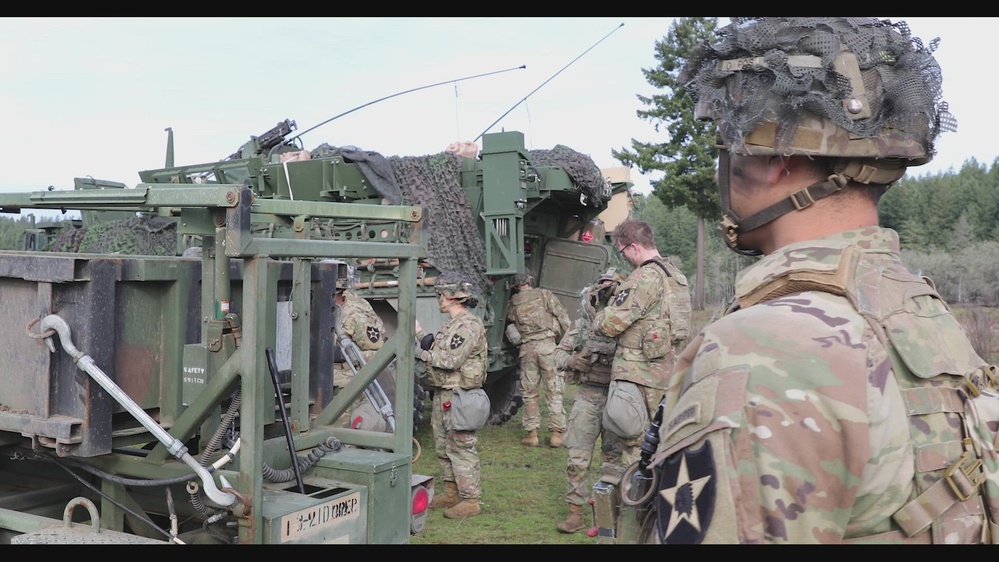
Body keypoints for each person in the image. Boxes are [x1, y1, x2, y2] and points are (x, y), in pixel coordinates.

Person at [645, 17, 988, 544]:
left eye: (730, 143)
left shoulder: (765, 349)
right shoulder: (919, 313)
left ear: (775, 160)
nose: (725, 158)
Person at [593, 218, 691, 472]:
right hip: (669, 373)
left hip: (639, 375)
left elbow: (610, 325)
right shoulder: (677, 276)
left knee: (635, 449)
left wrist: (599, 310)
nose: (624, 257)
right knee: (661, 442)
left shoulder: (644, 277)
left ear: (634, 247)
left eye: (624, 251)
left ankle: (632, 506)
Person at [553, 267, 629, 534]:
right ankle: (575, 513)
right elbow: (557, 356)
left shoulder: (629, 322)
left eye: (612, 285)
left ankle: (611, 515)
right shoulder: (582, 323)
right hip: (588, 395)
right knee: (577, 456)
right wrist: (573, 360)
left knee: (614, 459)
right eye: (602, 285)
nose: (605, 290)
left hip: (618, 396)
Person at [414, 271, 488, 519]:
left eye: (441, 294)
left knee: (461, 447)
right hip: (445, 393)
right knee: (443, 445)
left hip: (459, 396)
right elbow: (439, 349)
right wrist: (420, 336)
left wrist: (420, 354)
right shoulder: (452, 324)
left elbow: (450, 359)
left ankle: (471, 499)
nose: (439, 298)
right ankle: (451, 490)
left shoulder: (468, 325)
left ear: (455, 297)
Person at [505, 267, 571, 447]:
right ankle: (557, 435)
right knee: (554, 390)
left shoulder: (513, 302)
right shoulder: (545, 295)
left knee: (529, 392)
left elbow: (510, 324)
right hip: (548, 347)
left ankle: (532, 434)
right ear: (529, 280)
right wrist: (569, 344)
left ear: (516, 285)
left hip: (527, 349)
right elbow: (564, 318)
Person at [331, 271, 387, 430]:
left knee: (344, 432)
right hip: (323, 383)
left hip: (347, 386)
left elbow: (378, 352)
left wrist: (345, 355)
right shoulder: (318, 308)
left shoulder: (355, 313)